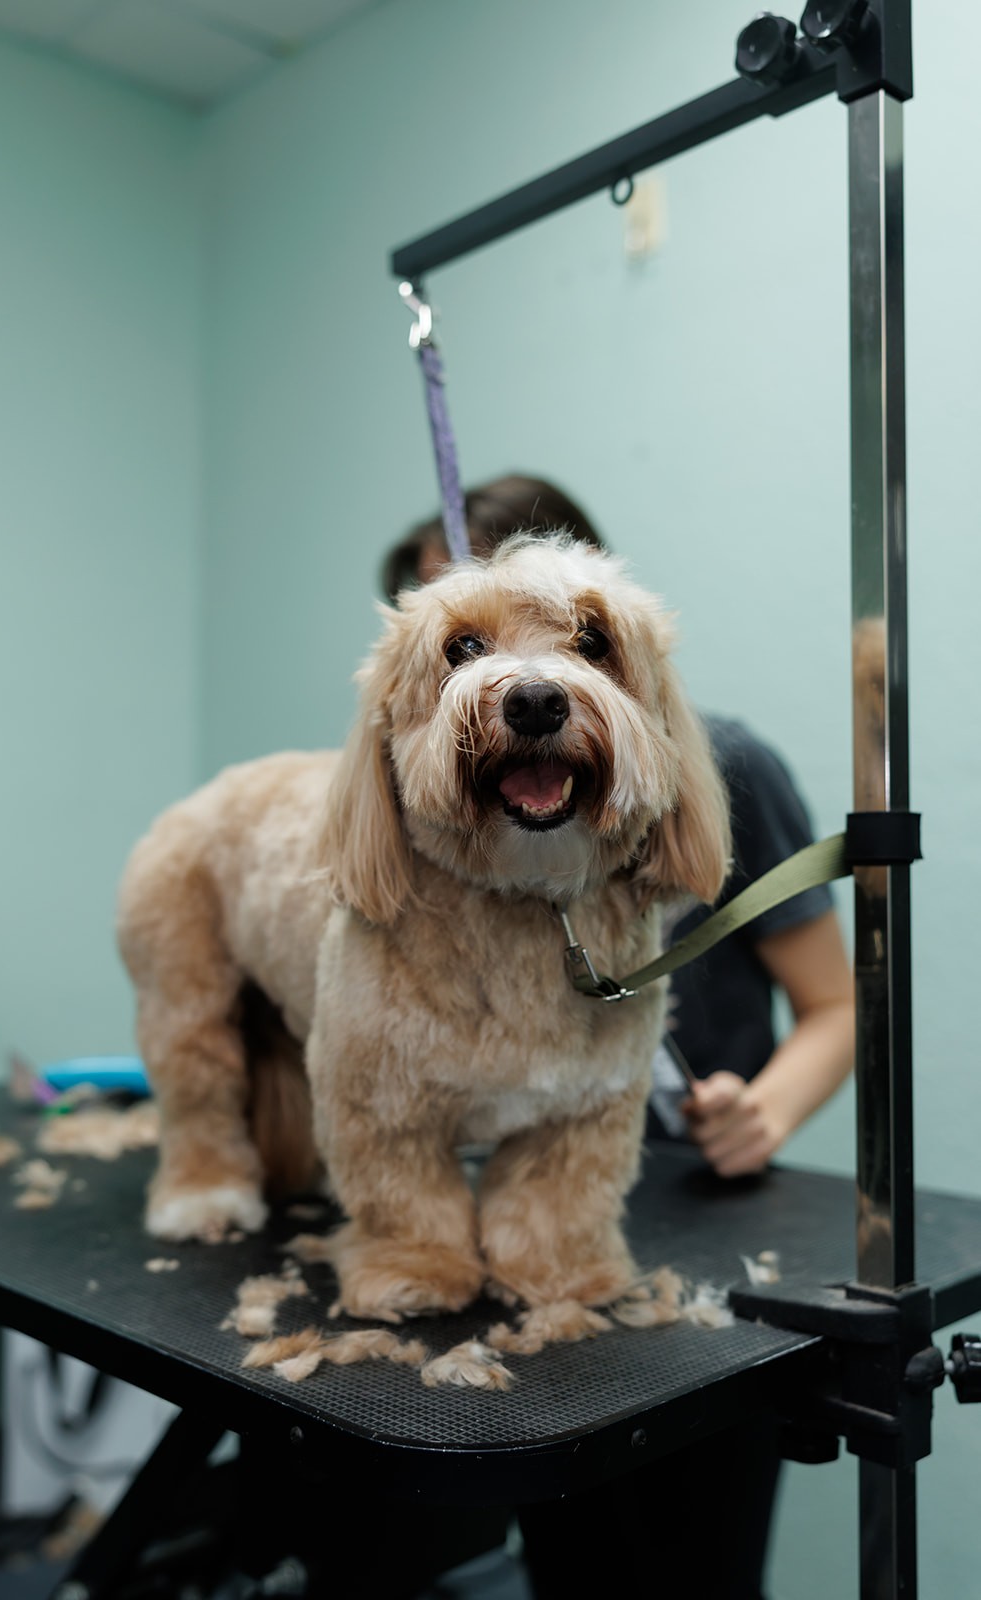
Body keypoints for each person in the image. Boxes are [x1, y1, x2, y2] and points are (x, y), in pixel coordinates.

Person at [386, 473, 855, 1600]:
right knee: (573, 1561)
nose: (510, 685)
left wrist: (765, 1110)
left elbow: (837, 1009)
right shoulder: (425, 805)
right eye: (455, 647)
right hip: (517, 1230)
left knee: (697, 1568)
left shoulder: (723, 765)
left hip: (693, 1226)